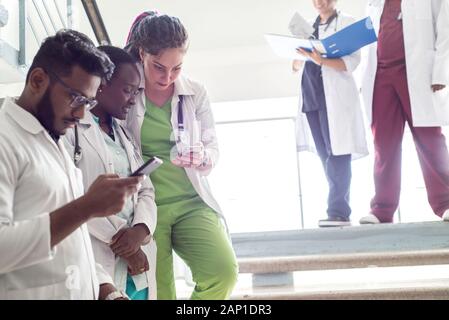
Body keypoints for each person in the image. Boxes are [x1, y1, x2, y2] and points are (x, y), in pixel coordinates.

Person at [0, 30, 143, 300]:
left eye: (88, 102)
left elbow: (73, 241)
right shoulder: (4, 139)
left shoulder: (53, 139)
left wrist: (106, 289)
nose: (80, 114)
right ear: (38, 80)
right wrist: (87, 206)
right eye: (76, 99)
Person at [124, 11, 238, 300]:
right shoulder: (126, 90)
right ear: (142, 54)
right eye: (158, 67)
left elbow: (213, 146)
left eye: (176, 68)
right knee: (159, 291)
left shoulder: (195, 92)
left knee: (223, 274)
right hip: (147, 207)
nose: (167, 77)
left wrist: (202, 156)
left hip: (191, 201)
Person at [64, 46, 157, 300]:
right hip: (97, 252)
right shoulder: (71, 130)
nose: (132, 99)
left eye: (136, 92)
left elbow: (146, 189)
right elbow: (72, 196)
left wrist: (140, 231)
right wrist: (122, 242)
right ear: (101, 85)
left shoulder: (124, 134)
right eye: (127, 90)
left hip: (137, 258)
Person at [360, 0, 449, 224]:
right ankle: (382, 209)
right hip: (381, 75)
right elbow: (370, 35)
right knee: (384, 143)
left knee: (430, 140)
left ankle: (445, 202)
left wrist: (440, 72)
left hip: (417, 74)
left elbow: (445, 29)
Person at [291, 0, 368, 227]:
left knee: (338, 154)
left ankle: (339, 212)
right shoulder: (307, 27)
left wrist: (321, 60)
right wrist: (298, 56)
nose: (320, 2)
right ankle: (337, 210)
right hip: (312, 96)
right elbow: (295, 67)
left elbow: (351, 62)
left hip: (335, 99)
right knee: (326, 156)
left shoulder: (347, 23)